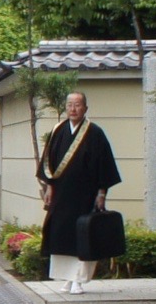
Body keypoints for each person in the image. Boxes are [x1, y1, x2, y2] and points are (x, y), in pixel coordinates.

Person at [38, 90, 121, 292]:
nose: (73, 109)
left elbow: (104, 165)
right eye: (69, 105)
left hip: (86, 193)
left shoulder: (95, 133)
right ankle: (66, 278)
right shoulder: (58, 131)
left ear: (85, 108)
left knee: (82, 234)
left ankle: (79, 280)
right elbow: (50, 160)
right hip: (62, 193)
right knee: (61, 233)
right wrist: (50, 187)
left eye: (77, 105)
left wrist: (102, 193)